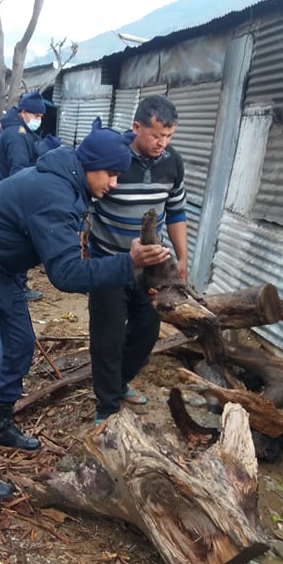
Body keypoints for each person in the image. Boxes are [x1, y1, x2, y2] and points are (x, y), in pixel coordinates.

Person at [0, 118, 170, 501]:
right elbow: (65, 274)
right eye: (111, 174)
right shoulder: (54, 194)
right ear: (91, 164)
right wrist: (128, 262)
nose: (114, 183)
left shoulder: (72, 183)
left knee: (21, 343)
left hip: (1, 267)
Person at [88, 95, 187, 423]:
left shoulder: (173, 162)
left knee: (147, 329)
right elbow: (86, 199)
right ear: (136, 127)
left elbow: (176, 211)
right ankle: (106, 406)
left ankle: (118, 382)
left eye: (169, 136)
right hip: (109, 263)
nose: (163, 143)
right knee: (108, 336)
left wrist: (183, 259)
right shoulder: (113, 157)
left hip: (148, 270)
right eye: (157, 135)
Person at [0, 90, 47, 300]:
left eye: (41, 116)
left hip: (8, 195)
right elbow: (19, 171)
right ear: (24, 113)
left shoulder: (17, 131)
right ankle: (18, 286)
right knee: (18, 242)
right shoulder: (18, 135)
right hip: (15, 199)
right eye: (37, 115)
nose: (39, 120)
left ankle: (14, 284)